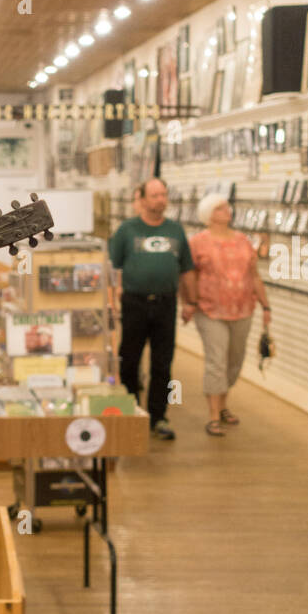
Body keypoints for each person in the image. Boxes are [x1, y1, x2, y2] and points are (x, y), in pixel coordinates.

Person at [108, 177, 198, 439]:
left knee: (163, 363)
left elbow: (187, 269)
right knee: (129, 360)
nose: (161, 199)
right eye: (155, 195)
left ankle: (159, 417)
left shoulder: (176, 230)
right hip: (134, 302)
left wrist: (190, 301)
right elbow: (113, 269)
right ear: (143, 198)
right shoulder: (127, 230)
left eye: (164, 194)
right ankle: (131, 411)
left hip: (166, 304)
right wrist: (111, 300)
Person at [190, 192, 271, 436]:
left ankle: (224, 405)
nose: (227, 211)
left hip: (243, 308)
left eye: (227, 207)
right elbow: (189, 275)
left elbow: (254, 275)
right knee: (216, 359)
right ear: (208, 215)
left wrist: (266, 306)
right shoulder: (198, 242)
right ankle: (213, 415)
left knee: (234, 360)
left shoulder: (243, 241)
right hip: (209, 310)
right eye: (220, 208)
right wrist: (189, 302)